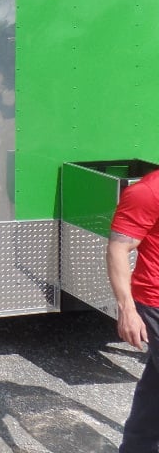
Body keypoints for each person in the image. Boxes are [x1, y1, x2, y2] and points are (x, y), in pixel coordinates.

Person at [107, 167, 159, 453]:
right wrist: (127, 310)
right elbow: (117, 249)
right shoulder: (147, 192)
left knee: (155, 388)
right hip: (154, 301)